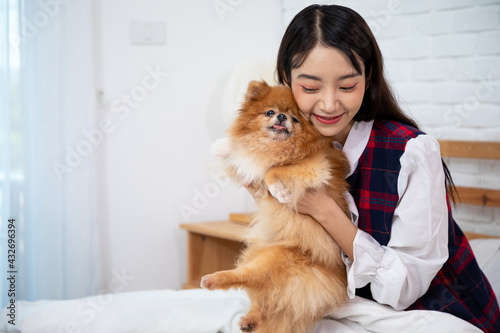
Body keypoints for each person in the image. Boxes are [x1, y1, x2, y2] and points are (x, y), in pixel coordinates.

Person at [245, 4, 499, 332]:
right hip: (339, 302)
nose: (329, 104)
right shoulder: (283, 145)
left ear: (368, 78)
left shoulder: (411, 152)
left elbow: (405, 288)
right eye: (310, 88)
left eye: (347, 86)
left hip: (431, 311)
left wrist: (325, 211)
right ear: (286, 79)